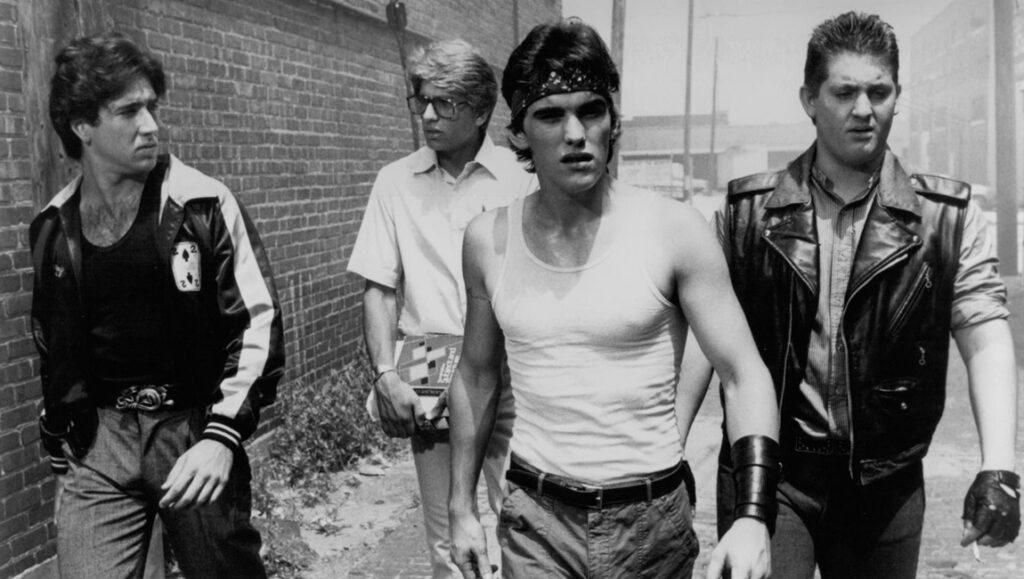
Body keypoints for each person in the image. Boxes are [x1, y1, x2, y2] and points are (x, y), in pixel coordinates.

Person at [690, 11, 1020, 579]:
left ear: (898, 95)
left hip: (885, 484)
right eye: (844, 91)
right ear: (809, 99)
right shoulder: (749, 214)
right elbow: (707, 341)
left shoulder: (947, 220)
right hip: (773, 474)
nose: (864, 109)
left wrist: (999, 467)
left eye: (879, 91)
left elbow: (985, 336)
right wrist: (665, 458)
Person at [448, 19, 782, 579]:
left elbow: (743, 373)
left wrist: (752, 514)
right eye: (551, 115)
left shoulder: (673, 230)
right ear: (521, 132)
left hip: (649, 521)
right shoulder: (488, 241)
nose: (575, 133)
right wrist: (461, 507)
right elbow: (477, 375)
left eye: (592, 110)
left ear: (613, 120)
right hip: (536, 520)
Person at [31, 32, 284, 578]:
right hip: (100, 440)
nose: (151, 125)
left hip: (190, 428)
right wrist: (60, 432)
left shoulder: (201, 204)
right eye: (129, 111)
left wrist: (221, 437)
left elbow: (258, 325)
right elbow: (52, 341)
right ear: (83, 127)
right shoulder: (54, 227)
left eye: (152, 107)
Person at [346, 39, 536, 579]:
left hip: (513, 366)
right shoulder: (395, 182)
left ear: (481, 111)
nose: (428, 115)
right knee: (449, 546)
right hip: (429, 360)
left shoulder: (521, 179)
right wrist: (385, 373)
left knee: (520, 528)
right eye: (422, 100)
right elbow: (379, 287)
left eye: (445, 103)